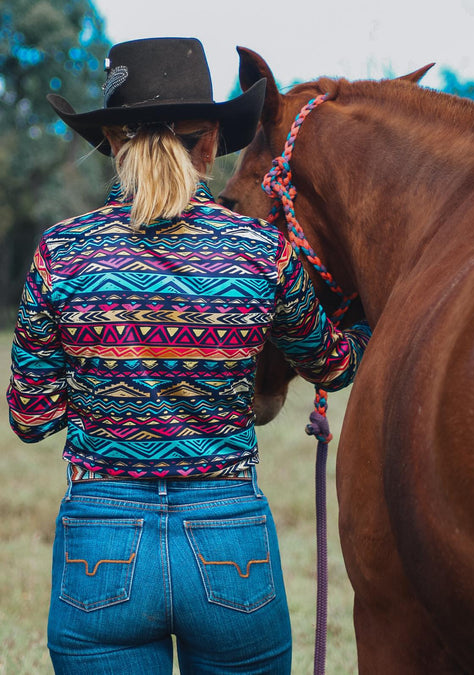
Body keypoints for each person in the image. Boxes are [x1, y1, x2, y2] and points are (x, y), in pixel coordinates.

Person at [6, 37, 371, 674]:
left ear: (115, 143)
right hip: (229, 538)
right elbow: (335, 365)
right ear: (209, 145)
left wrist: (111, 381)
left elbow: (30, 418)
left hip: (100, 538)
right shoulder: (261, 250)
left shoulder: (60, 253)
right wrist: (369, 323)